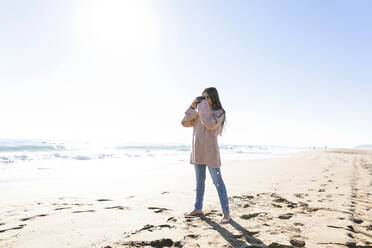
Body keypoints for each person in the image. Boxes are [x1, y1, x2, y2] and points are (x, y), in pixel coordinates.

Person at [181, 87, 231, 224]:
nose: (205, 101)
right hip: (198, 152)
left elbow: (209, 125)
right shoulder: (199, 112)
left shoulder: (219, 113)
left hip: (211, 154)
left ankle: (226, 213)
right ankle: (198, 208)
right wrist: (192, 106)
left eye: (207, 97)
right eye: (203, 98)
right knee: (199, 182)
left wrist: (202, 109)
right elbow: (184, 122)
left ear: (214, 98)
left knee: (218, 183)